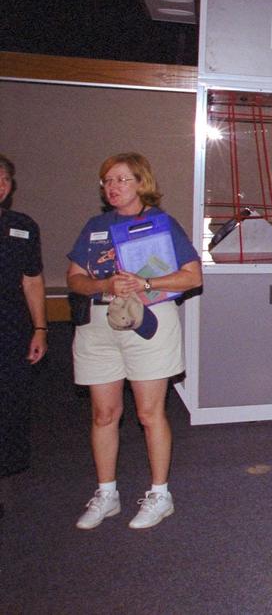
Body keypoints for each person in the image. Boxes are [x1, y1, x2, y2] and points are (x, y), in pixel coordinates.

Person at [66, 153, 203, 530]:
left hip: (147, 319)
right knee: (103, 414)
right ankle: (106, 493)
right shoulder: (95, 226)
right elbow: (74, 278)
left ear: (142, 183)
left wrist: (146, 282)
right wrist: (103, 284)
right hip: (99, 324)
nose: (112, 187)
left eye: (121, 179)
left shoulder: (162, 224)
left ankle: (160, 494)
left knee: (148, 413)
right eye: (107, 181)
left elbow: (192, 277)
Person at [0, 154, 48, 501]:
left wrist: (40, 328)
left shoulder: (23, 226)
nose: (0, 186)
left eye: (4, 180)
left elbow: (32, 280)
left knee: (11, 399)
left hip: (12, 326)